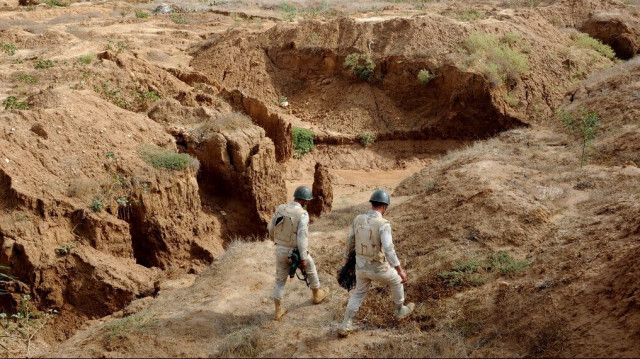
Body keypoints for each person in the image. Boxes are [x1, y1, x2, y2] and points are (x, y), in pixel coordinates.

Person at [337, 189, 414, 337]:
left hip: (360, 267)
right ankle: (400, 310)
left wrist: (347, 261)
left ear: (372, 204)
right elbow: (388, 249)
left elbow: (350, 241)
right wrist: (399, 270)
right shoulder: (383, 224)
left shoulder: (358, 219)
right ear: (384, 207)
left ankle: (346, 323)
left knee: (358, 293)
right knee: (397, 280)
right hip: (378, 267)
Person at [267, 185, 330, 321]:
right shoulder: (303, 215)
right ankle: (317, 294)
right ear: (305, 201)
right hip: (294, 251)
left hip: (280, 250)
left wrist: (275, 241)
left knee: (279, 281)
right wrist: (303, 257)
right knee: (311, 269)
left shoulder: (280, 208)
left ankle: (278, 311)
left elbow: (271, 228)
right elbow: (302, 238)